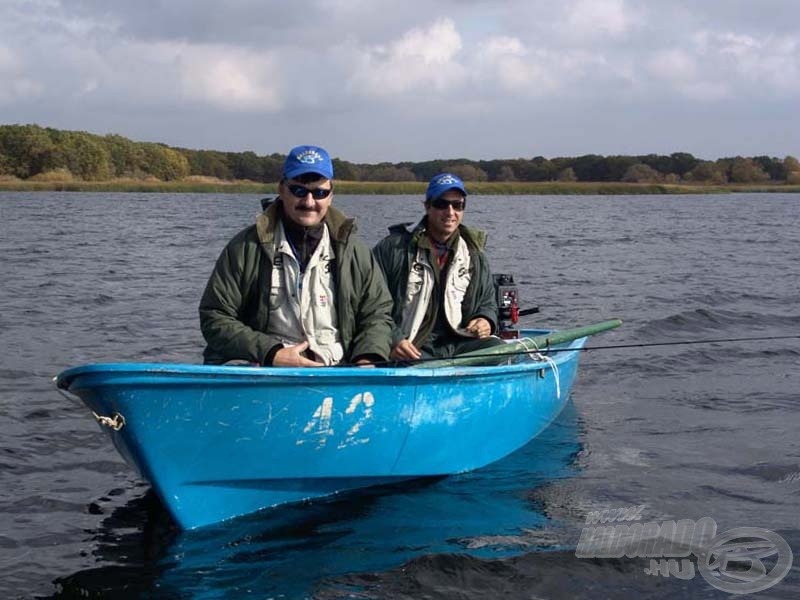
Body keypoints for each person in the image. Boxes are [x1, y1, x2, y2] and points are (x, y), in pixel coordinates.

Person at [199, 144, 394, 367]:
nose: (309, 202)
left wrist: (367, 356)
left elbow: (378, 314)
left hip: (339, 371)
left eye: (320, 193)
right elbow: (215, 316)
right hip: (266, 371)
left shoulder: (356, 252)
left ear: (331, 195)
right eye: (299, 191)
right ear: (282, 190)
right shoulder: (244, 247)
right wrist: (270, 352)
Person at [373, 172, 503, 361]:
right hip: (413, 345)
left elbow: (488, 302)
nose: (450, 212)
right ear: (427, 206)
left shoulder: (474, 253)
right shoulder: (393, 248)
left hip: (459, 342)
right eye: (442, 204)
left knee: (498, 350)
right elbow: (373, 305)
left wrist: (486, 320)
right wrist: (394, 340)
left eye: (457, 205)